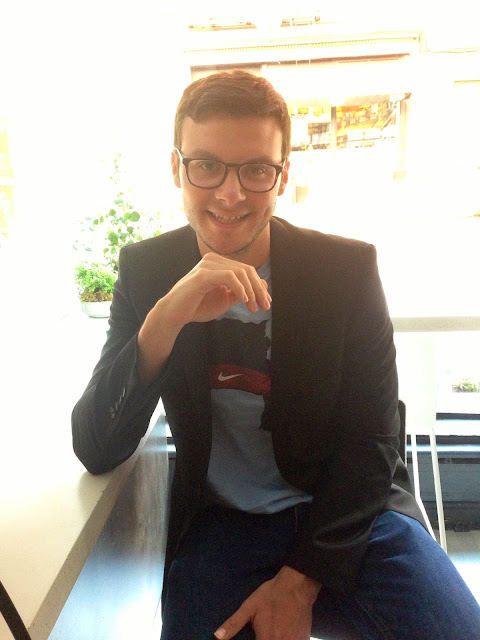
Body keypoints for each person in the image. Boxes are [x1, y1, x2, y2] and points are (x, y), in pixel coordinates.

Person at [72, 70, 480, 640]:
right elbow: (96, 446)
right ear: (177, 170)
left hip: (349, 514)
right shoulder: (148, 271)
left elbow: (375, 439)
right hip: (224, 525)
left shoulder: (344, 270)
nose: (230, 193)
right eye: (206, 165)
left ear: (282, 176)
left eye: (256, 170)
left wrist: (301, 579)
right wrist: (163, 319)